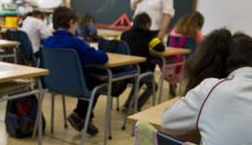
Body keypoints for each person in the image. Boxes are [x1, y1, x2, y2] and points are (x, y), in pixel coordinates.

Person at [43, 7, 112, 136]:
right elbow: (101, 58)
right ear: (71, 22)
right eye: (76, 23)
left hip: (53, 85)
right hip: (75, 86)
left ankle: (81, 116)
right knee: (97, 81)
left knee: (91, 78)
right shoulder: (76, 43)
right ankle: (80, 115)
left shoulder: (47, 42)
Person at [120, 12, 165, 111]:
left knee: (139, 81)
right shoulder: (150, 36)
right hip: (141, 70)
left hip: (125, 71)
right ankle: (136, 106)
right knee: (153, 86)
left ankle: (127, 104)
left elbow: (117, 44)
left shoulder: (125, 34)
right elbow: (161, 48)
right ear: (148, 24)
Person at [166, 11, 205, 95]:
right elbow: (203, 45)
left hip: (172, 64)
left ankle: (172, 84)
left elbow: (168, 45)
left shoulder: (173, 31)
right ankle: (189, 90)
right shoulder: (196, 33)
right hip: (189, 65)